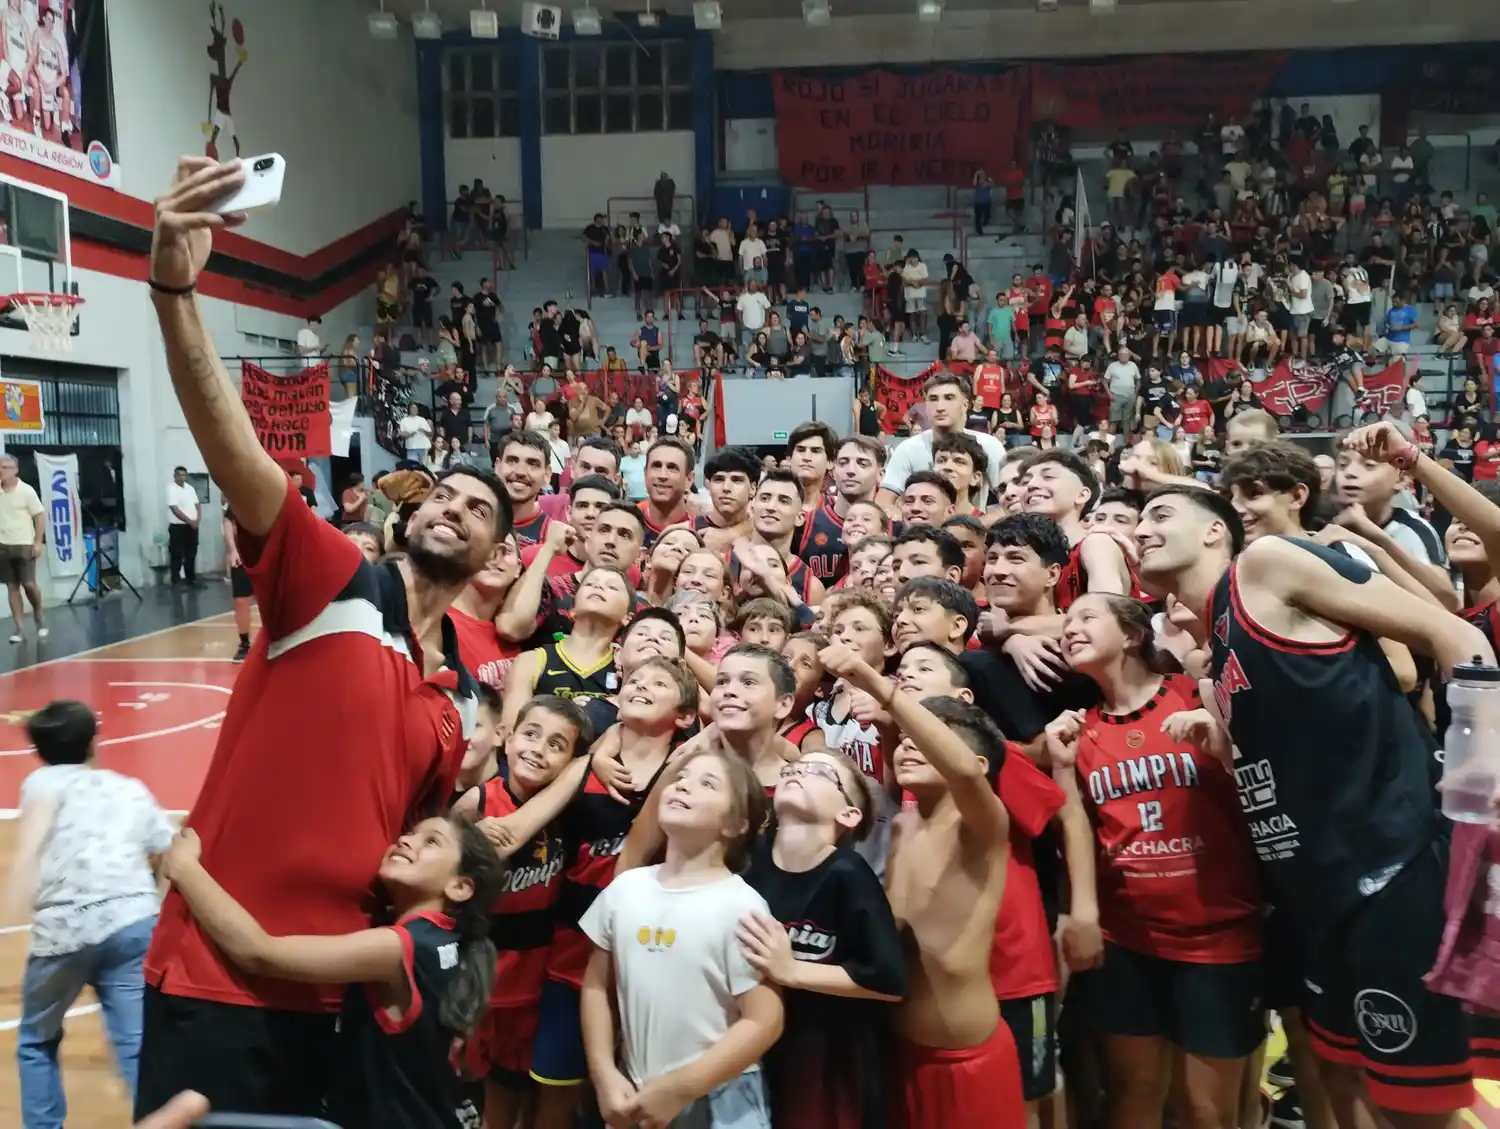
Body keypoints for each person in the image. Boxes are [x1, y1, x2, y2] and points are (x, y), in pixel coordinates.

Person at [135, 156, 512, 1117]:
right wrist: (176, 290)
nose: (456, 508)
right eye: (447, 492)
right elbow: (233, 445)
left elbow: (414, 850)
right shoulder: (331, 582)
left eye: (482, 510)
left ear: (496, 557)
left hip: (343, 1000)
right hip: (221, 977)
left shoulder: (456, 698)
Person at [1136, 477, 1494, 1124]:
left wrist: (1481, 803)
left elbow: (1455, 636)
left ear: (1216, 528)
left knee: (1416, 1106)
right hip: (1315, 888)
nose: (1140, 528)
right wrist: (1222, 740)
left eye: (1161, 513)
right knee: (1337, 1077)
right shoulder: (1218, 646)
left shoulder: (1266, 565)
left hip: (1394, 866)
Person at [1046, 595, 1263, 1129]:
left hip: (1220, 935)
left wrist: (1224, 751)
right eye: (1066, 622)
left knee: (1205, 1110)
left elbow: (1266, 788)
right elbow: (1076, 822)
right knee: (1132, 1095)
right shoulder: (1078, 730)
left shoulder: (1198, 696)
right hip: (1128, 937)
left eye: (1087, 617)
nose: (1071, 628)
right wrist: (1084, 914)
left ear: (1133, 635)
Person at [158, 813, 504, 1129]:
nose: (406, 840)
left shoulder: (398, 947)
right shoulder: (449, 943)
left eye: (432, 841)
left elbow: (258, 952)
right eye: (410, 832)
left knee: (190, 1118)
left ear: (459, 886)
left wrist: (186, 870)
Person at [816, 643, 1024, 1129]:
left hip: (963, 1060)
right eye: (905, 737)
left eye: (925, 738)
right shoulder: (903, 825)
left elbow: (963, 770)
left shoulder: (983, 827)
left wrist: (881, 687)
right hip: (895, 1051)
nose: (910, 744)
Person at [580, 749, 784, 1129]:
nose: (684, 786)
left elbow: (765, 1020)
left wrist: (682, 1087)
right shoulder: (625, 889)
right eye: (682, 777)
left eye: (707, 783)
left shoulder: (741, 905)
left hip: (720, 1098)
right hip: (636, 1092)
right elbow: (595, 986)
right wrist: (604, 1072)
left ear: (736, 824)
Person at [6, 701, 176, 1129]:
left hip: (65, 931)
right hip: (133, 921)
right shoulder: (129, 788)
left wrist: (15, 897)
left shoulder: (40, 782)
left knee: (36, 1040)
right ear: (94, 743)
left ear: (38, 751)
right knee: (136, 1045)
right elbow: (171, 850)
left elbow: (32, 845)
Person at [0, 451, 45, 642]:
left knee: (29, 584)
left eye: (5, 468)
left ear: (15, 470)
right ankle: (19, 628)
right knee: (12, 587)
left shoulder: (27, 491)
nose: (1, 471)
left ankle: (39, 616)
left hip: (24, 543)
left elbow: (40, 515)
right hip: (3, 545)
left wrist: (38, 542)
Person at [166, 465, 201, 588]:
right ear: (174, 476)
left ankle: (191, 579)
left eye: (184, 475)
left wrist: (197, 519)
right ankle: (176, 580)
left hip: (192, 527)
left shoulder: (190, 488)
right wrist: (189, 521)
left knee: (191, 554)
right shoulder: (171, 489)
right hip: (178, 527)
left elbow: (197, 505)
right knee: (177, 554)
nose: (182, 477)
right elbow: (174, 509)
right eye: (179, 475)